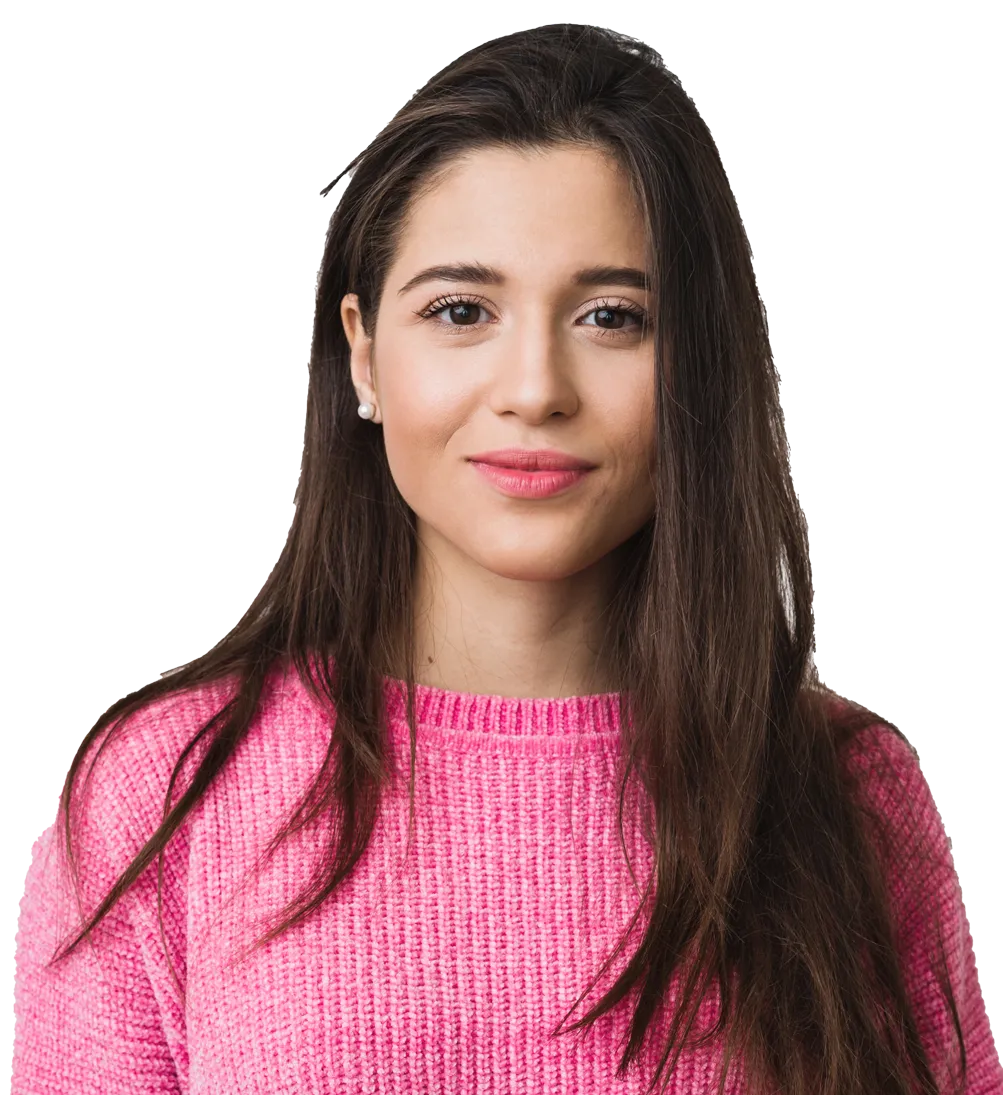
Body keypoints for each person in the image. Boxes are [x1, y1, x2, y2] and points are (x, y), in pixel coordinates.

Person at [11, 24, 1001, 1095]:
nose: (535, 388)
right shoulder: (163, 798)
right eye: (460, 310)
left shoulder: (843, 798)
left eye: (612, 316)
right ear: (364, 353)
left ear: (697, 366)